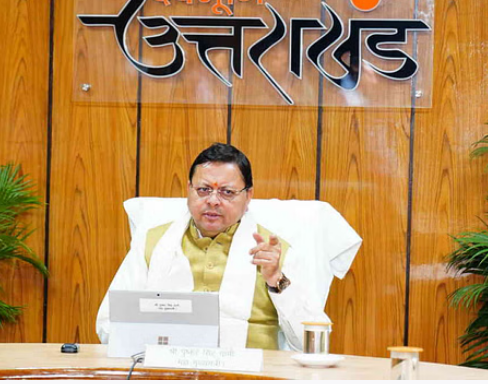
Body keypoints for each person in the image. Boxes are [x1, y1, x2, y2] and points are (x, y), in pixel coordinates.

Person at [96, 143, 332, 350]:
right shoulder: (153, 242)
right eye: (204, 190)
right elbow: (108, 323)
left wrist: (276, 280)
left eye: (227, 192)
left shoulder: (273, 253)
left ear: (248, 196)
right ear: (189, 189)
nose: (213, 200)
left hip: (252, 375)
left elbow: (311, 341)